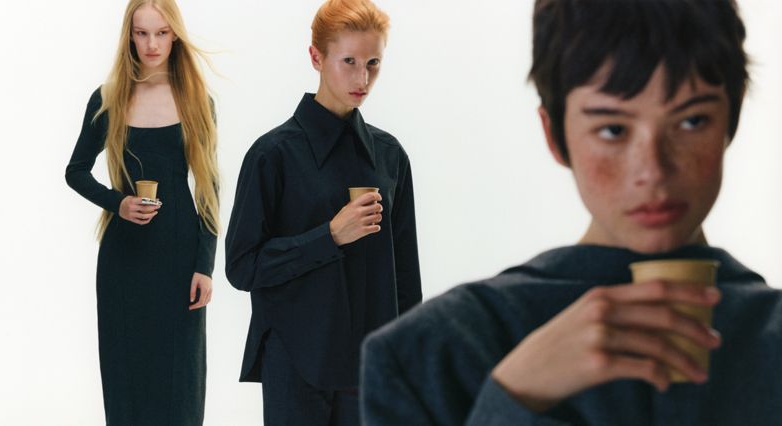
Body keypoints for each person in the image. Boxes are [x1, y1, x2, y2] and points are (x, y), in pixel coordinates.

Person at [361, 0, 782, 425]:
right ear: (555, 134)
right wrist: (516, 393)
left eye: (692, 121)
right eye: (613, 129)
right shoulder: (426, 355)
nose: (653, 171)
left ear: (732, 117)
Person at [224, 0, 422, 424]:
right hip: (295, 361)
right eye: (348, 61)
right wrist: (329, 236)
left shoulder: (389, 156)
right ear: (316, 57)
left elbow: (405, 275)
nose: (362, 78)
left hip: (370, 367)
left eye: (373, 63)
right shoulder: (272, 155)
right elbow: (242, 267)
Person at [65, 0, 218, 424]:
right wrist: (119, 203)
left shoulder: (197, 99)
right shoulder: (108, 98)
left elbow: (208, 188)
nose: (152, 44)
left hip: (181, 258)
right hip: (124, 258)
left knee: (181, 383)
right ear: (129, 36)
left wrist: (205, 265)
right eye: (142, 33)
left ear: (175, 36)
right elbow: (75, 171)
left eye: (162, 33)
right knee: (126, 378)